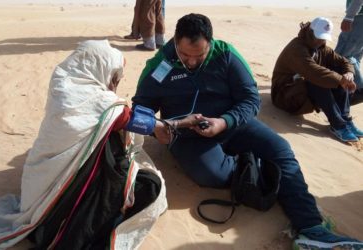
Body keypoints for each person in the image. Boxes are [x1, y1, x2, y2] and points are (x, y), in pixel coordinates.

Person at [131, 13, 363, 249]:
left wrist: (224, 122)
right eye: (185, 55)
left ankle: (311, 228)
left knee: (281, 149)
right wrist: (156, 128)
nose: (191, 62)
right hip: (187, 135)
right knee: (212, 176)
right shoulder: (160, 65)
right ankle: (260, 169)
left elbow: (251, 100)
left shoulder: (226, 54)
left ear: (210, 43)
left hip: (233, 123)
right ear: (176, 41)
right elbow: (138, 114)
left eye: (199, 56)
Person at [0, 40, 167, 250]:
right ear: (98, 69)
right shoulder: (100, 102)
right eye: (114, 78)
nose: (114, 85)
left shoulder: (65, 82)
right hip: (68, 195)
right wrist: (172, 124)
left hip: (42, 180)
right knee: (150, 186)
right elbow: (130, 119)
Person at [271, 17, 363, 143]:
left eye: (323, 37)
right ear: (310, 32)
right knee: (317, 79)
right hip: (284, 96)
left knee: (339, 72)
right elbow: (313, 71)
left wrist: (348, 73)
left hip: (302, 93)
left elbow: (344, 61)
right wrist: (341, 80)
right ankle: (338, 125)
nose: (321, 40)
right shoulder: (296, 48)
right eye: (318, 36)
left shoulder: (321, 47)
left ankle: (345, 120)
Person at [335, 0, 363, 104]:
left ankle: (359, 89)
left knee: (342, 56)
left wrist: (349, 17)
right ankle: (353, 90)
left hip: (359, 18)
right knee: (355, 57)